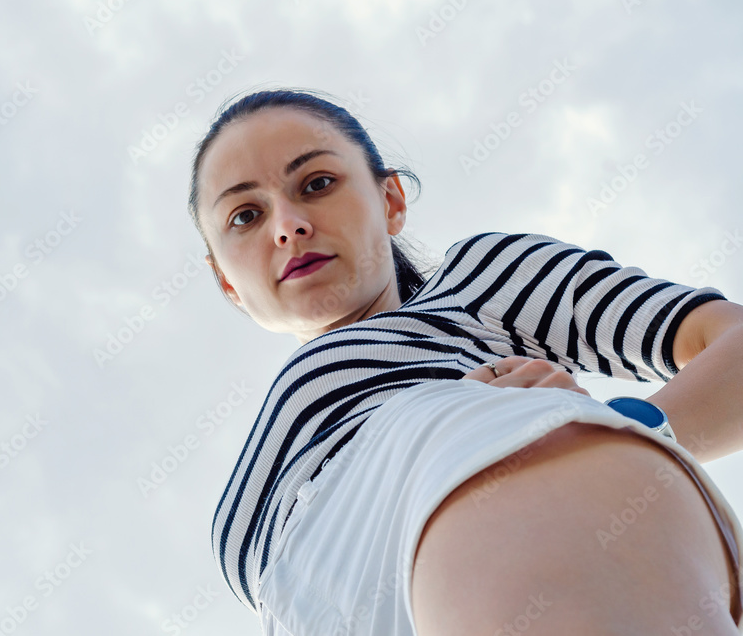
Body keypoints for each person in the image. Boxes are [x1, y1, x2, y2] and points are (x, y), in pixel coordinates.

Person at [187, 87, 743, 635]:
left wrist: (637, 425)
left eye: (318, 183)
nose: (287, 225)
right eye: (245, 215)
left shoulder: (477, 282)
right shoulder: (236, 517)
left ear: (391, 203)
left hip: (525, 507)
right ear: (226, 282)